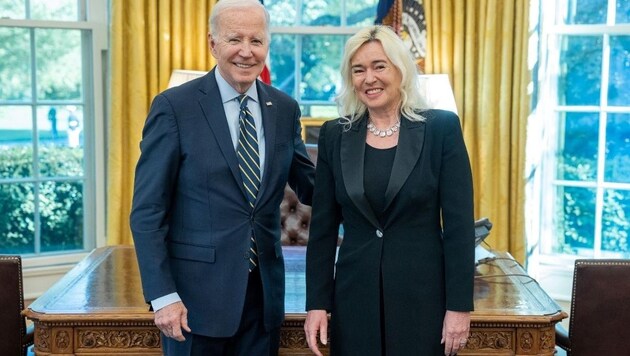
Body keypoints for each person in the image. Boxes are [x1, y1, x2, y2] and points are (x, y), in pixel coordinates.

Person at [130, 0, 315, 355]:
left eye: (256, 41)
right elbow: (148, 211)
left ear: (267, 47)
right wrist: (162, 295)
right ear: (213, 44)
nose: (246, 52)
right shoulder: (174, 107)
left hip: (263, 302)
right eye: (235, 39)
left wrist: (368, 161)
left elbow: (310, 184)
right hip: (192, 305)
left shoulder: (285, 108)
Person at [304, 25, 475, 356]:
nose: (369, 78)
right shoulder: (334, 135)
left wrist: (459, 307)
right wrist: (317, 304)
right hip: (353, 300)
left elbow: (458, 228)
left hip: (424, 300)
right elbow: (322, 230)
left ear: (400, 70)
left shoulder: (441, 129)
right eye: (359, 70)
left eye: (379, 66)